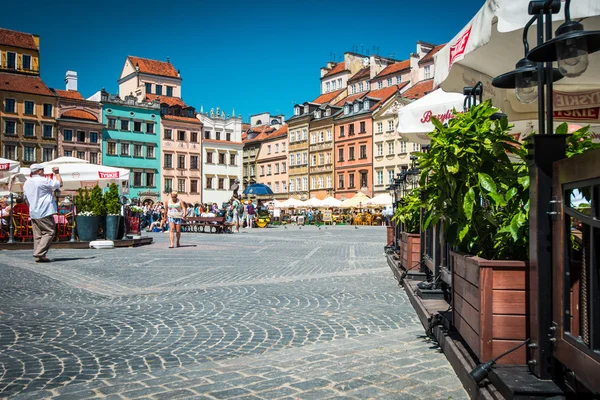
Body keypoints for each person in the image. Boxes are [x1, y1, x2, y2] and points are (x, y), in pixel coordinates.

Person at [22, 164, 63, 262]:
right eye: (42, 170)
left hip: (33, 211)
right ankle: (39, 253)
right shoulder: (43, 180)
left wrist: (32, 207)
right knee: (49, 231)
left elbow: (25, 199)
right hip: (44, 210)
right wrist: (57, 173)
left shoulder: (27, 182)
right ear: (39, 171)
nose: (43, 172)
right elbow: (59, 183)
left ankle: (40, 256)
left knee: (38, 235)